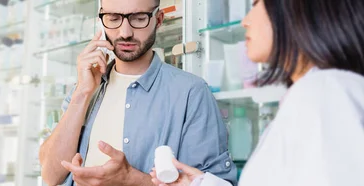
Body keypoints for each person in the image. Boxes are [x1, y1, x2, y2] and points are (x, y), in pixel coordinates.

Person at [150, 0, 364, 185]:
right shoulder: (321, 92)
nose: (245, 21)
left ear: (295, 10)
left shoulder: (323, 94)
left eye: (256, 5)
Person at [38, 0, 238, 185]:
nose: (125, 32)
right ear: (102, 19)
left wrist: (130, 178)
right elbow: (51, 175)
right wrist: (81, 93)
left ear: (158, 20)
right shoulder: (84, 88)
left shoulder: (191, 93)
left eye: (139, 18)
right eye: (114, 19)